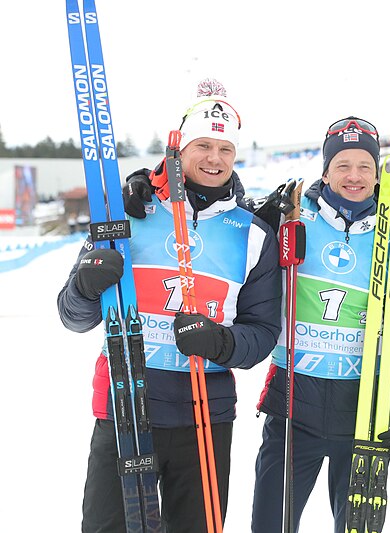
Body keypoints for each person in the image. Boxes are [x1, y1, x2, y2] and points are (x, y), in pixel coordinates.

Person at [57, 80, 283, 532]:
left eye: (225, 148)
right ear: (180, 148)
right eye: (203, 145)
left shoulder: (253, 234)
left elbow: (261, 334)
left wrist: (219, 341)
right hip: (126, 404)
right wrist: (86, 284)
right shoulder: (127, 212)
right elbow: (72, 314)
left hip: (204, 415)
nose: (214, 158)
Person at [251, 117, 390, 532]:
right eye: (342, 165)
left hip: (361, 412)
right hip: (293, 407)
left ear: (378, 174)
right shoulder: (290, 220)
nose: (354, 176)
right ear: (325, 171)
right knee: (270, 524)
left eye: (364, 165)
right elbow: (229, 220)